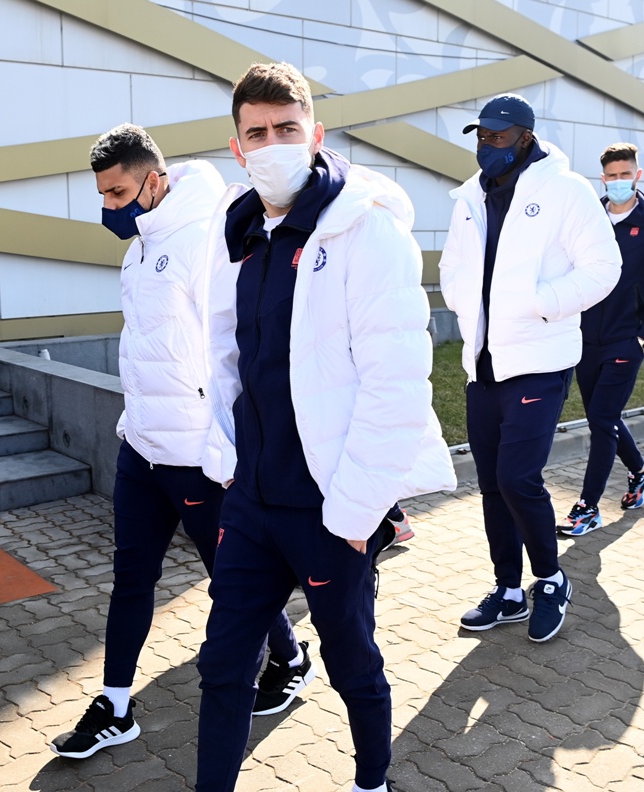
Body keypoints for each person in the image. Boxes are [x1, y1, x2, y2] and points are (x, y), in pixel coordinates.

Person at [196, 62, 455, 792]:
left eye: (287, 129)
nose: (272, 144)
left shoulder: (365, 230)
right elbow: (224, 357)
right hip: (251, 503)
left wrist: (356, 510)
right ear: (237, 147)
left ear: (315, 134)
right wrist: (223, 459)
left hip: (328, 508)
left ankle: (372, 781)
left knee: (352, 663)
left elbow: (396, 383)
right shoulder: (240, 231)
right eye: (256, 133)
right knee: (222, 667)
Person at [49, 124, 310, 760]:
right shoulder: (139, 247)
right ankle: (115, 705)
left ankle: (290, 656)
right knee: (130, 579)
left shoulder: (205, 238)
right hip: (142, 447)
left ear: (154, 181)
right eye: (102, 195)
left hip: (197, 456)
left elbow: (233, 349)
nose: (109, 206)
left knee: (233, 580)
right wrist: (132, 421)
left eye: (117, 193)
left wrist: (227, 444)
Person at [439, 94, 622, 641]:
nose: (485, 145)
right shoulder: (470, 196)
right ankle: (509, 591)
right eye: (480, 136)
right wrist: (465, 304)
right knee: (492, 485)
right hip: (483, 362)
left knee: (518, 479)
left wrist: (538, 303)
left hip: (539, 360)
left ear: (524, 137)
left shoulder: (565, 190)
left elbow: (604, 267)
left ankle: (550, 579)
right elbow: (452, 265)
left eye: (496, 136)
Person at [560, 142, 644, 536]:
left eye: (625, 174)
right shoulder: (589, 217)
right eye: (612, 176)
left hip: (627, 339)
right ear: (603, 178)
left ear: (637, 175)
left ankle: (588, 507)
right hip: (586, 337)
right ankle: (642, 472)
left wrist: (643, 338)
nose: (618, 181)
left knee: (601, 419)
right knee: (602, 416)